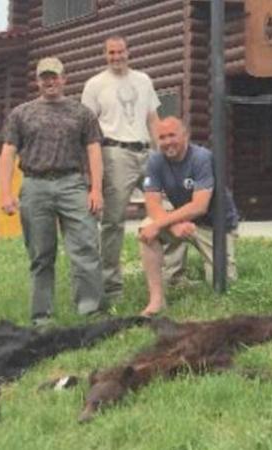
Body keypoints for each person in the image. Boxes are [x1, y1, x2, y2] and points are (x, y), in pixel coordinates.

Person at [0, 57, 105, 326]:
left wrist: (96, 190)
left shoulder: (82, 113)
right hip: (34, 186)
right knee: (41, 254)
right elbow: (8, 153)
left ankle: (89, 311)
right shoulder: (21, 114)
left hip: (73, 184)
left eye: (54, 76)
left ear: (64, 79)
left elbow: (94, 150)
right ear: (38, 82)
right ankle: (41, 318)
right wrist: (5, 194)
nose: (50, 82)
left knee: (85, 248)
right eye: (44, 77)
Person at [81, 35, 173, 303]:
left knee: (168, 209)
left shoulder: (143, 80)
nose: (116, 57)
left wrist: (163, 152)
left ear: (128, 52)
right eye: (111, 53)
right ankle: (112, 286)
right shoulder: (95, 85)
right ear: (105, 54)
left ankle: (173, 274)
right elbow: (87, 128)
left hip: (146, 150)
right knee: (113, 220)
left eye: (120, 52)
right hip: (115, 152)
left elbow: (153, 118)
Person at [137, 117, 240, 317]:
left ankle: (195, 272)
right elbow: (152, 204)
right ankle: (157, 300)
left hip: (216, 226)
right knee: (147, 228)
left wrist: (171, 222)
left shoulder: (201, 157)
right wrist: (173, 224)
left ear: (186, 135)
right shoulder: (156, 160)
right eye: (162, 137)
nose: (167, 142)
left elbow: (199, 206)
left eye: (172, 135)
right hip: (184, 221)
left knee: (225, 284)